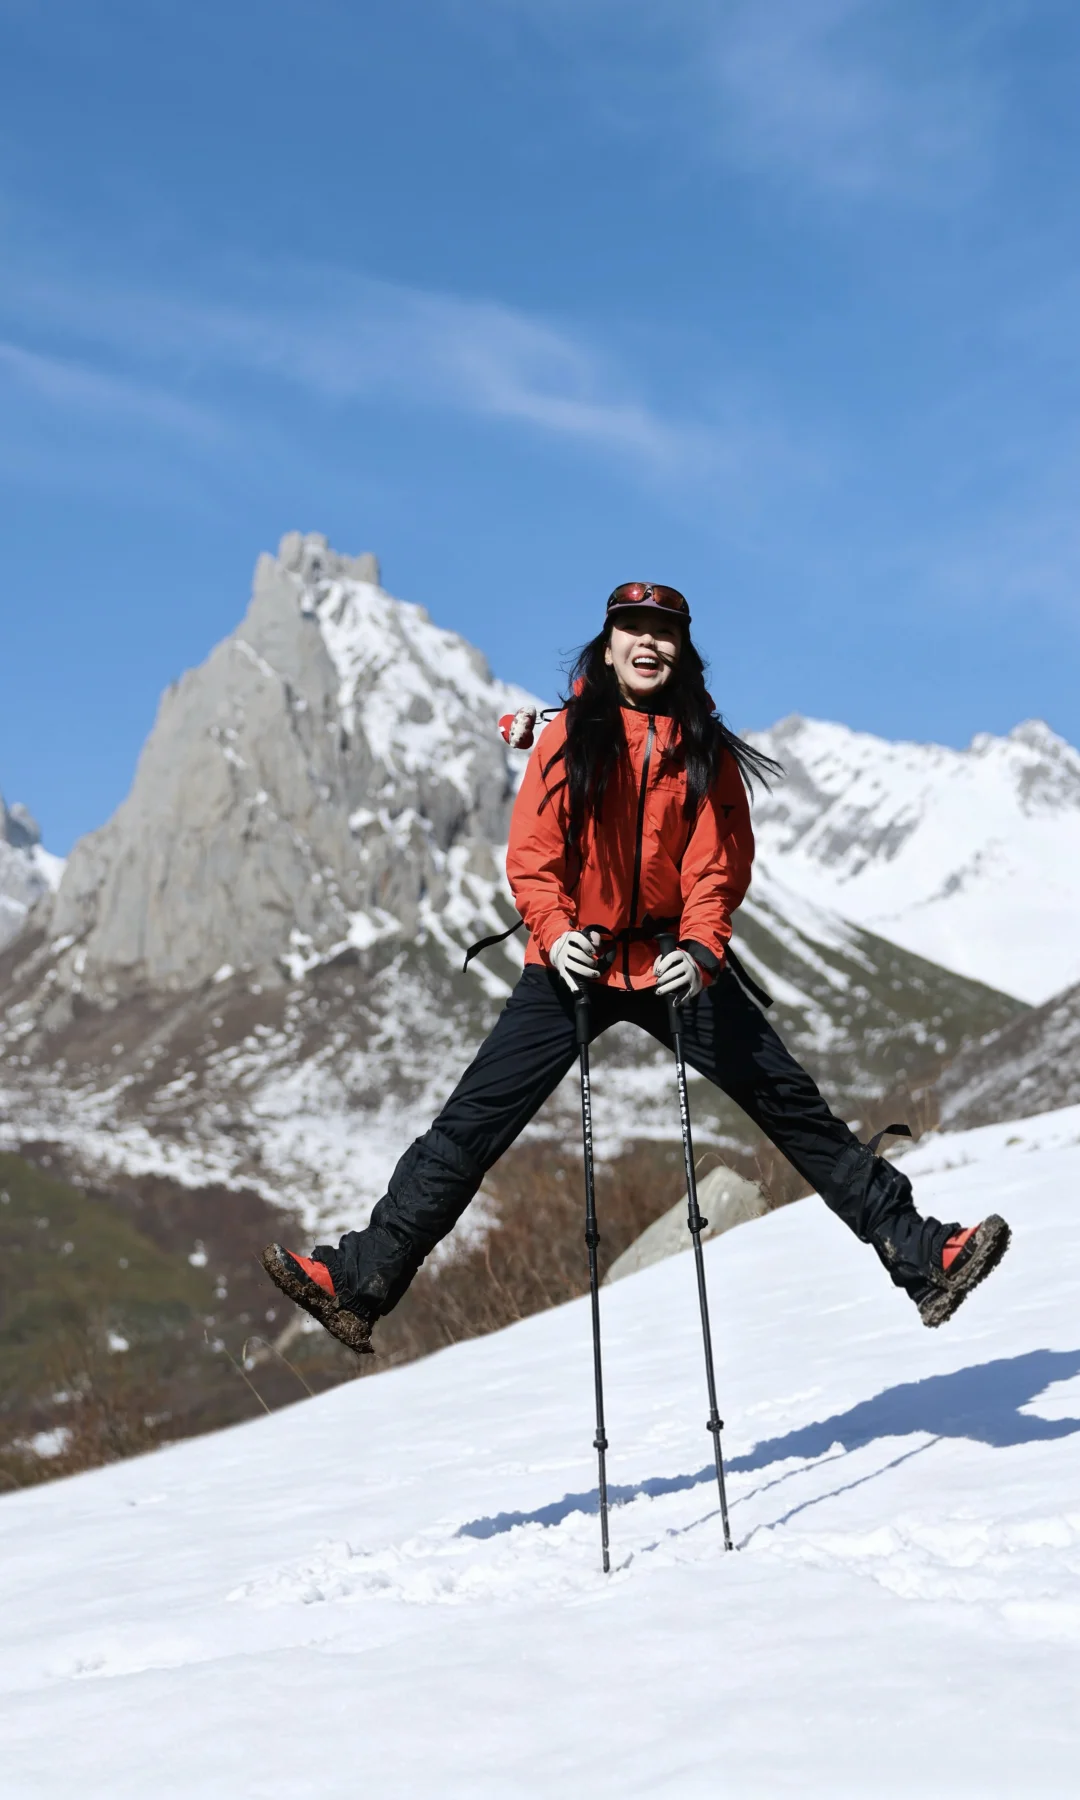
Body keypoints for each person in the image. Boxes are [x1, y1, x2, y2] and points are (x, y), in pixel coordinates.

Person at [262, 581, 1010, 1353]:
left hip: (671, 964)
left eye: (664, 632)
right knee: (470, 1126)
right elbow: (534, 853)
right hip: (572, 962)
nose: (649, 643)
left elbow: (717, 867)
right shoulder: (567, 737)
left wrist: (702, 947)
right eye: (634, 630)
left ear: (681, 650)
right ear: (610, 642)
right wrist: (554, 934)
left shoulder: (705, 748)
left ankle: (924, 1257)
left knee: (795, 1109)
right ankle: (356, 1284)